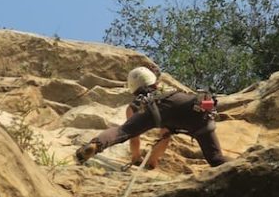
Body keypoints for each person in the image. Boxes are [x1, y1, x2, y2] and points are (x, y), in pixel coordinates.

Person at [75, 66, 229, 168]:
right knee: (216, 159)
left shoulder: (135, 105)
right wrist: (153, 161)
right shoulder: (169, 91)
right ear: (154, 82)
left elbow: (132, 136)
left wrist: (136, 158)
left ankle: (95, 145)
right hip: (195, 110)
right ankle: (243, 168)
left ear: (133, 88)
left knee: (122, 131)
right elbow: (165, 137)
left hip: (151, 110)